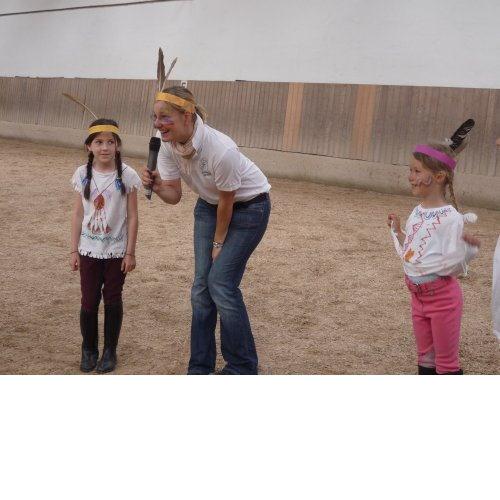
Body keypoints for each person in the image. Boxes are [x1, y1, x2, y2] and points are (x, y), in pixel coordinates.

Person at [142, 86, 271, 375]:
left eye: (165, 117)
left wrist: (218, 244)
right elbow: (174, 196)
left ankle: (242, 367)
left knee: (221, 284)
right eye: (155, 117)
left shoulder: (221, 149)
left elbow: (228, 201)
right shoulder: (166, 144)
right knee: (201, 288)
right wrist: (159, 186)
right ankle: (200, 367)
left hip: (249, 208)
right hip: (209, 205)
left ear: (188, 116)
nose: (158, 124)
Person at [387, 141, 480, 374]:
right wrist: (399, 233)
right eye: (410, 170)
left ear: (439, 177)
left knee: (446, 364)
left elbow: (455, 266)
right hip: (417, 299)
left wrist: (468, 251)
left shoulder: (451, 218)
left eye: (417, 171)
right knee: (425, 359)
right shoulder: (417, 211)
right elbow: (416, 248)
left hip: (443, 301)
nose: (410, 176)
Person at [70, 118, 141, 373]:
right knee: (89, 301)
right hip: (89, 250)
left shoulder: (127, 175)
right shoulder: (81, 174)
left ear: (118, 146)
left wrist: (130, 252)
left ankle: (110, 351)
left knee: (112, 299)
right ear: (89, 146)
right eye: (98, 142)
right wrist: (74, 249)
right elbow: (78, 214)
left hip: (116, 252)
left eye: (110, 142)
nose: (105, 148)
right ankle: (89, 349)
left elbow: (132, 216)